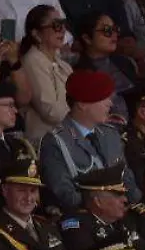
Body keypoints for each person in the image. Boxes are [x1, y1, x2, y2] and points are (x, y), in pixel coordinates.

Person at [39, 67, 134, 210]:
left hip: (121, 214)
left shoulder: (111, 135)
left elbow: (128, 180)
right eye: (103, 98)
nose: (110, 104)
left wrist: (134, 206)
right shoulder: (56, 141)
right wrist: (106, 208)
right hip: (85, 219)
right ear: (82, 104)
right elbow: (65, 194)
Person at [18, 6, 74, 146]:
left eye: (63, 24)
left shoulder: (64, 65)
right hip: (46, 143)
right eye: (56, 25)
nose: (62, 30)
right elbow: (51, 111)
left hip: (69, 136)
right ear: (37, 34)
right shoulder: (32, 61)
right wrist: (82, 112)